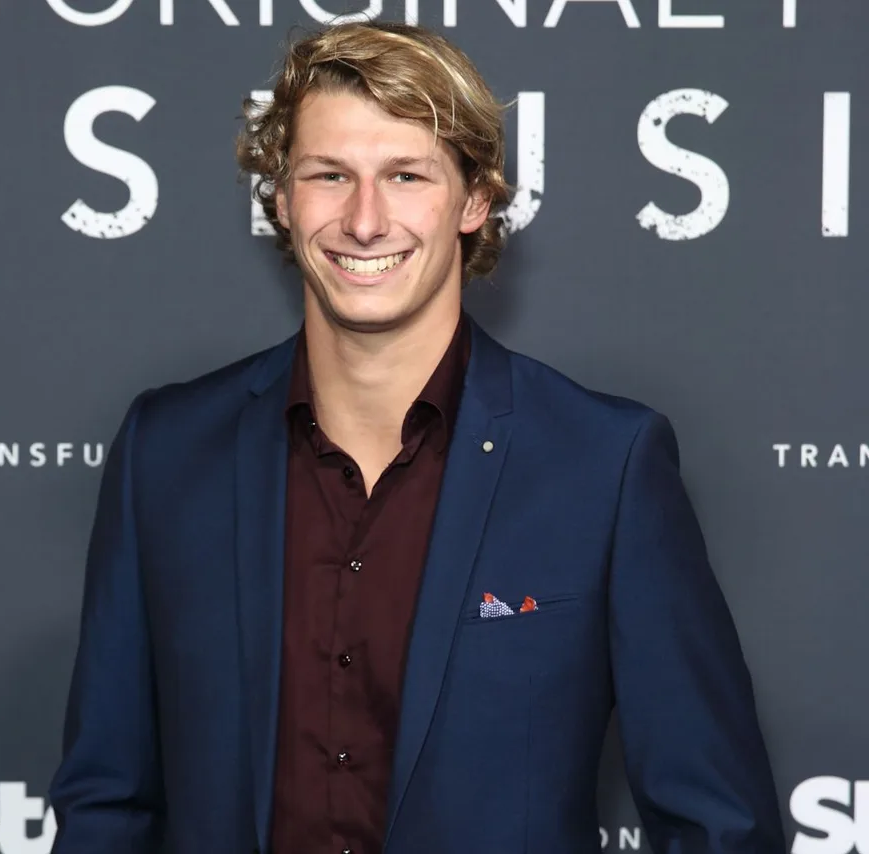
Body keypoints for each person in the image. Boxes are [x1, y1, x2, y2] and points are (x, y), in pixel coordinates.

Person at [48, 20, 785, 854]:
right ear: (283, 200)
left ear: (475, 199)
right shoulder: (168, 451)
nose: (366, 221)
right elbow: (107, 803)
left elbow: (719, 824)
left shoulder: (603, 465)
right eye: (330, 175)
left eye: (407, 175)